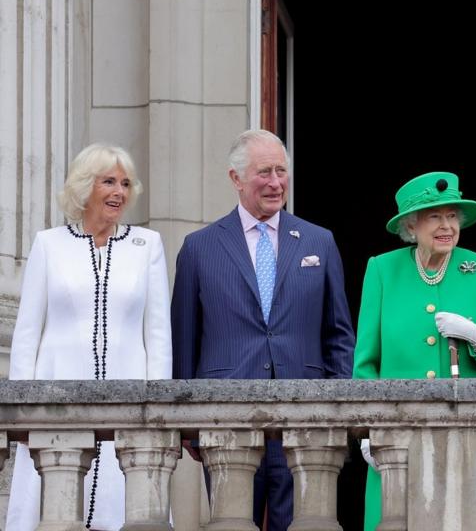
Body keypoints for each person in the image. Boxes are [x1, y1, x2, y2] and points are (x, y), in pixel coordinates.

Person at [171, 129, 355, 531]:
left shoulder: (319, 241)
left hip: (306, 418)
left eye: (281, 171)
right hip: (226, 416)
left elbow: (338, 333)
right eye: (263, 173)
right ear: (236, 179)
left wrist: (339, 406)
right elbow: (184, 339)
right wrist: (187, 421)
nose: (275, 182)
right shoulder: (199, 247)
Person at [6, 143, 172, 531]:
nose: (119, 192)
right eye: (109, 182)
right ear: (85, 187)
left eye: (126, 183)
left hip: (128, 404)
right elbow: (27, 334)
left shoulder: (147, 246)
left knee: (122, 511)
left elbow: (159, 335)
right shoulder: (49, 244)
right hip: (55, 402)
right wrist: (22, 414)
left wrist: (160, 414)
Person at [353, 171, 476, 531]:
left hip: (465, 437)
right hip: (398, 436)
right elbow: (366, 363)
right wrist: (367, 430)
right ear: (411, 226)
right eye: (435, 217)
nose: (447, 226)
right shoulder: (382, 270)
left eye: (452, 216)